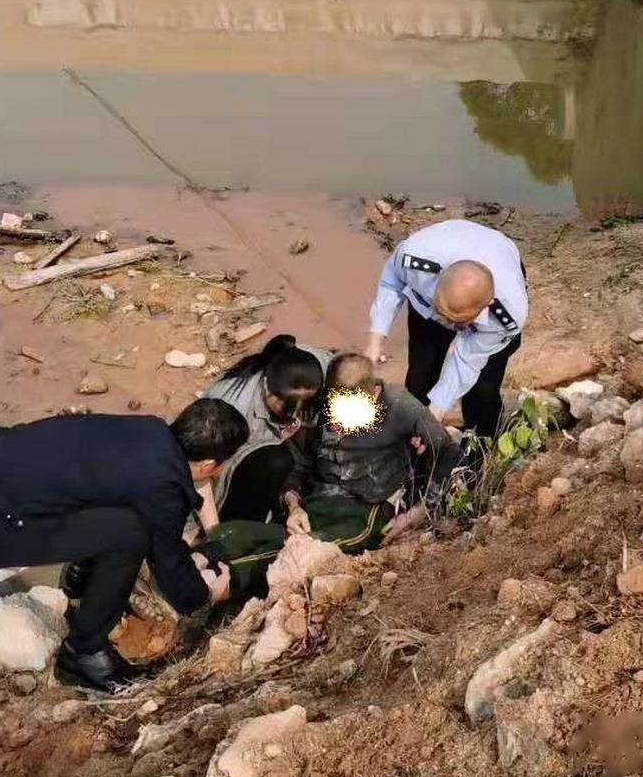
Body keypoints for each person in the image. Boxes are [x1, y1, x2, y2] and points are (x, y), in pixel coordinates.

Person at [0, 398, 248, 692]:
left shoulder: (149, 431)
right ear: (209, 465)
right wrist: (204, 595)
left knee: (116, 505)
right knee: (132, 533)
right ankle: (84, 652)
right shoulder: (162, 482)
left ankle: (82, 581)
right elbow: (167, 561)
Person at [203, 352, 457, 600]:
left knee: (308, 547)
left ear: (372, 395)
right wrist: (293, 505)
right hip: (318, 497)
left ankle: (229, 579)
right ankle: (203, 555)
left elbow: (446, 452)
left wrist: (416, 513)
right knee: (256, 533)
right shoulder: (316, 406)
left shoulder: (399, 405)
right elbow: (297, 464)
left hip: (369, 506)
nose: (338, 422)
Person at [364, 217, 527, 440]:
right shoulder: (415, 261)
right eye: (443, 314)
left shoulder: (507, 314)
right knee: (421, 373)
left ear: (486, 305)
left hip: (498, 257)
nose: (448, 325)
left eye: (457, 322)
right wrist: (375, 341)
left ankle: (481, 447)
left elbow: (466, 361)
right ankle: (410, 438)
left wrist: (436, 412)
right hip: (442, 258)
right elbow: (391, 282)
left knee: (482, 388)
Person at [202, 335, 328, 525]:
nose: (295, 413)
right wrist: (213, 530)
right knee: (277, 461)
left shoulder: (317, 368)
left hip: (286, 452)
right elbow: (199, 473)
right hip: (237, 464)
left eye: (306, 404)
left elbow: (353, 374)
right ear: (266, 387)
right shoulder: (229, 410)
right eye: (287, 405)